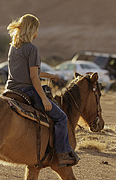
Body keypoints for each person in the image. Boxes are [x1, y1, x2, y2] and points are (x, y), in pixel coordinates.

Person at [4, 14, 79, 167]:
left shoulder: (13, 47)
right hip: (27, 91)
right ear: (33, 30)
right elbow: (33, 77)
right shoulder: (32, 49)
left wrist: (50, 75)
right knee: (61, 118)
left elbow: (28, 72)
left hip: (11, 89)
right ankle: (63, 154)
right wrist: (44, 99)